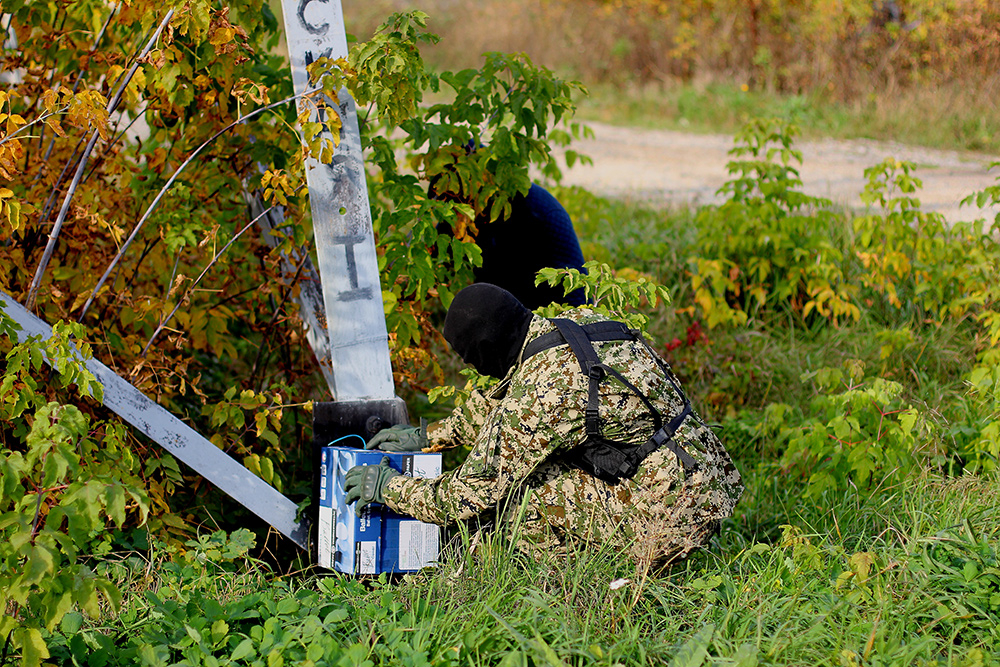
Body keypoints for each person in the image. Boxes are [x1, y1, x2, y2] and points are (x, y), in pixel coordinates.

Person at [344, 283, 743, 566]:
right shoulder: (571, 324)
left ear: (484, 351)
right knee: (524, 463)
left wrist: (388, 487)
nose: (469, 367)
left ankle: (562, 572)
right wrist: (427, 436)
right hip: (701, 474)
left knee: (518, 495)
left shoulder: (541, 392)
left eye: (468, 358)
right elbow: (502, 406)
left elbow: (465, 495)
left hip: (670, 515)